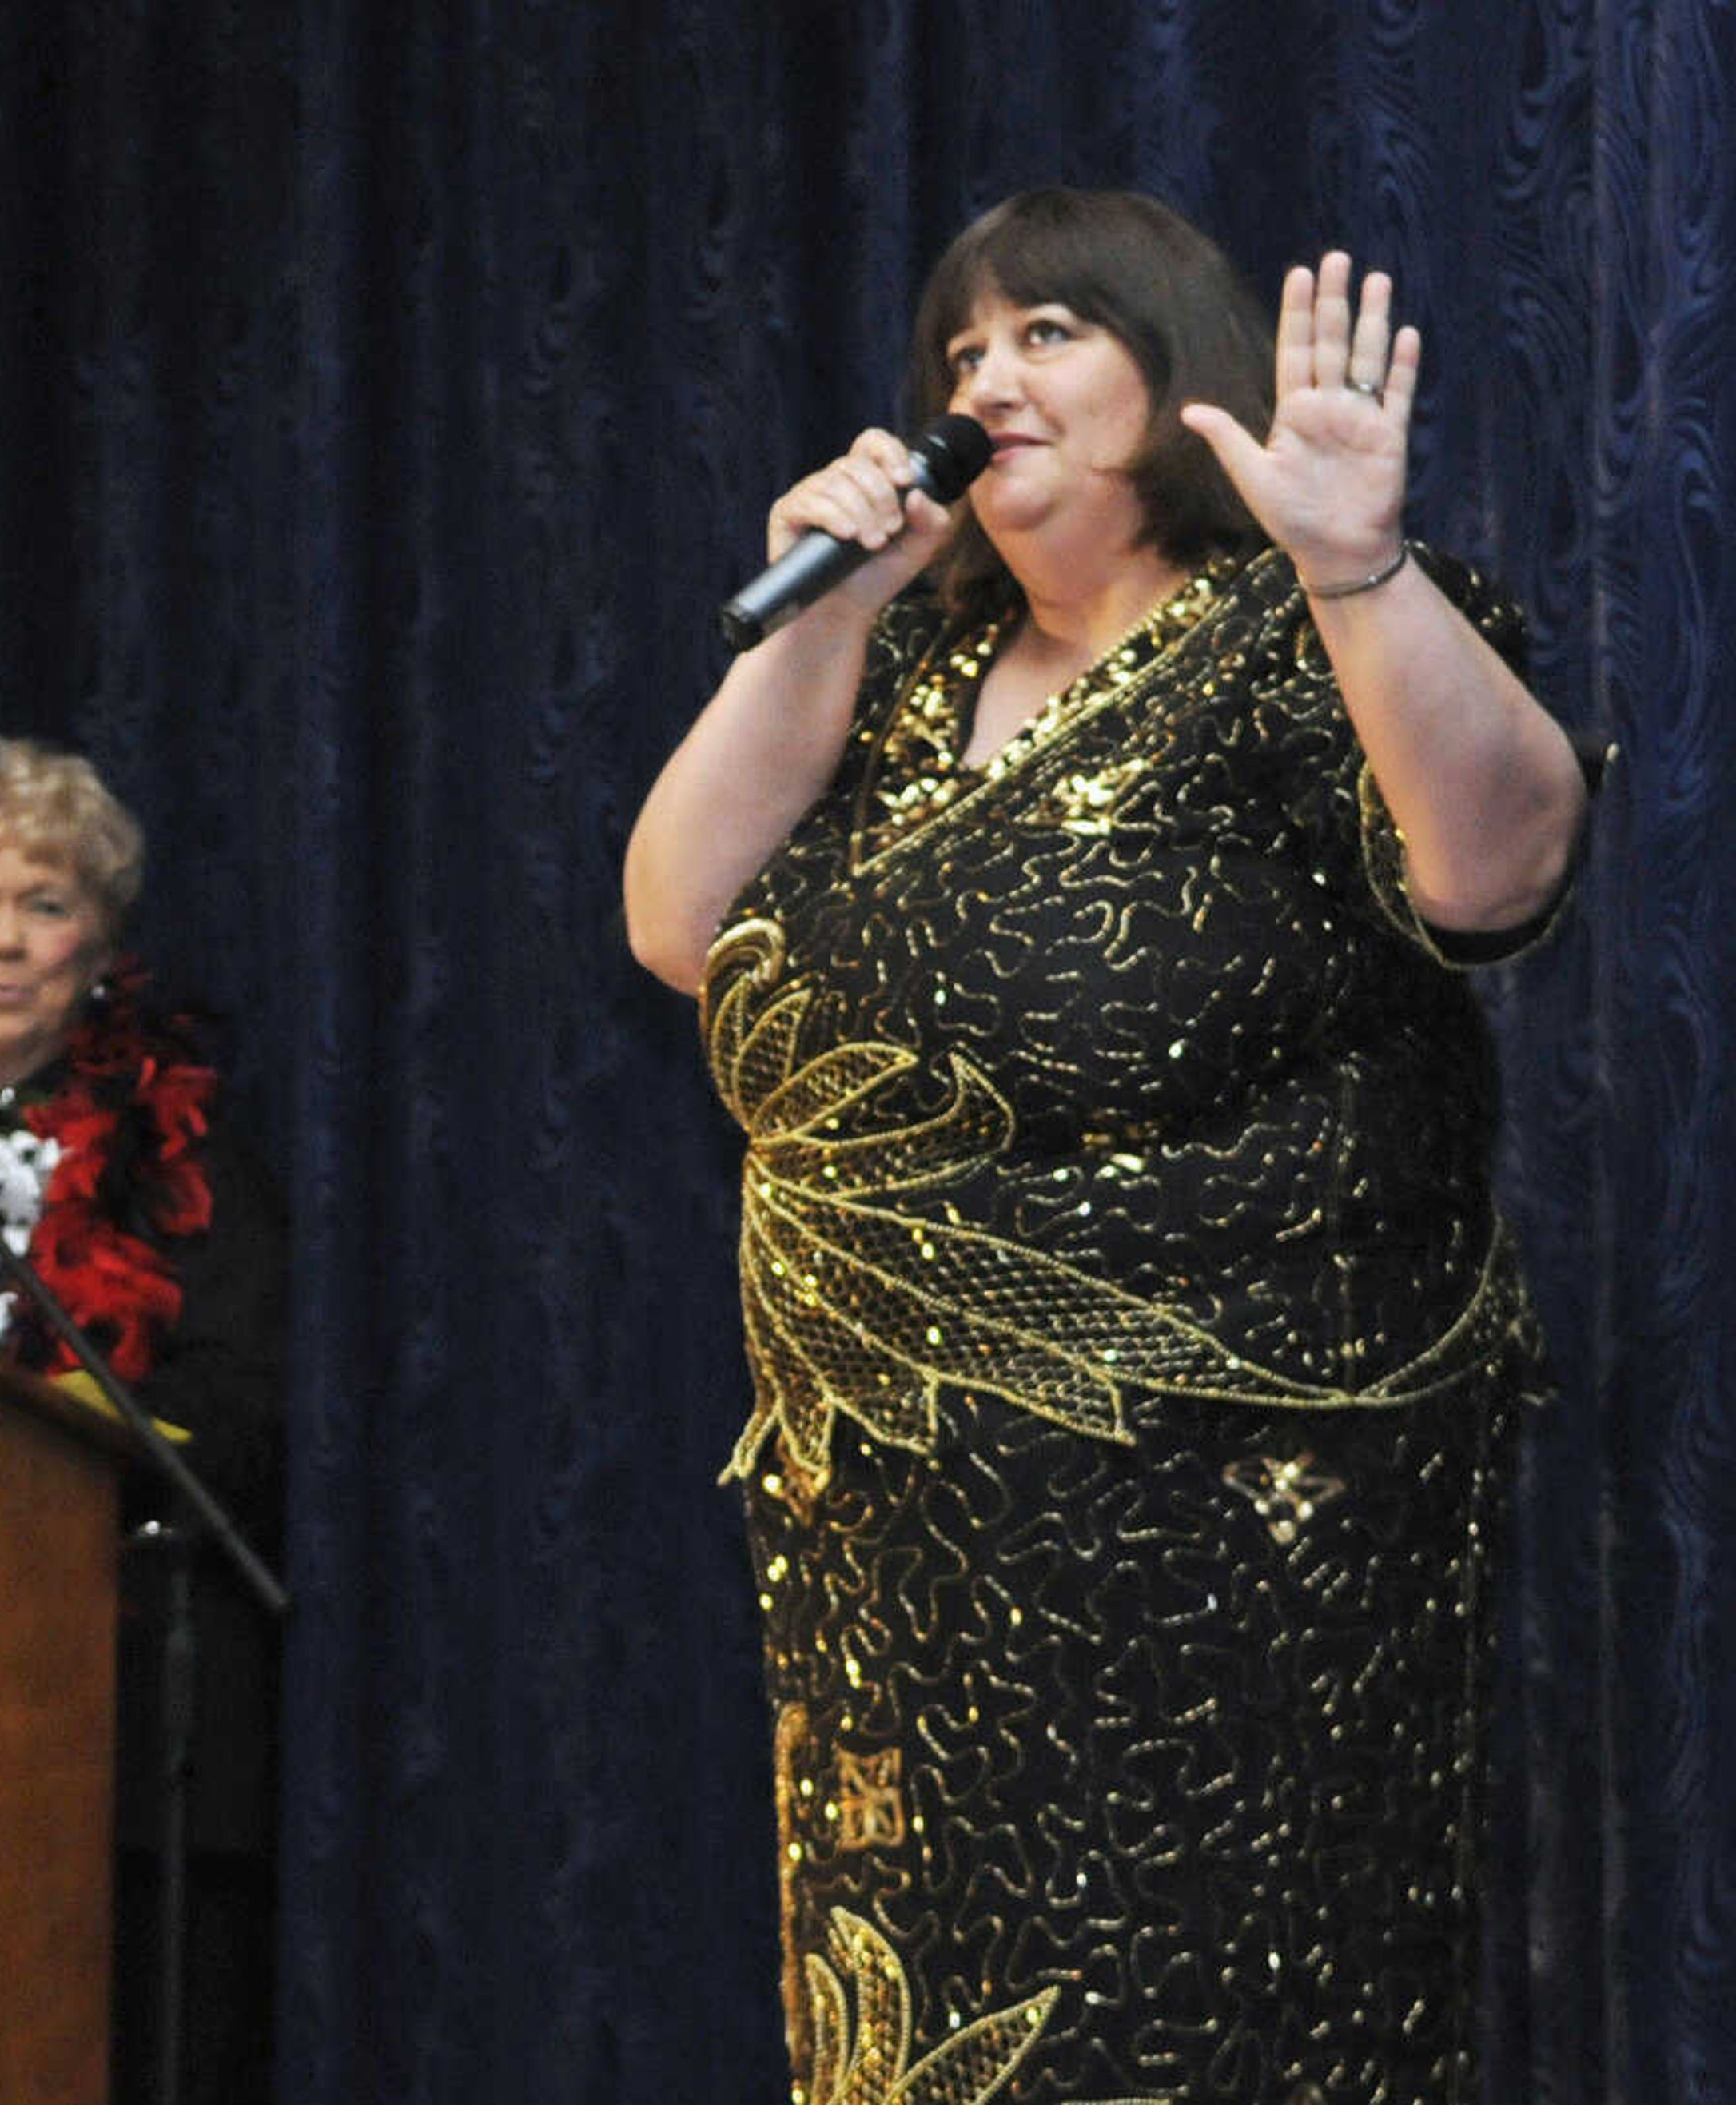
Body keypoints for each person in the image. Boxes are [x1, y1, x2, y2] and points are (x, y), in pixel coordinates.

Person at [623, 189, 1591, 2103]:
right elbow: (674, 921)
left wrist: (1364, 573)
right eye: (960, 355)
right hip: (906, 1533)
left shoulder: (1297, 628)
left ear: (1176, 369)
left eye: (1046, 333)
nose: (987, 381)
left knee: (1212, 2021)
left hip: (1236, 1518)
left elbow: (1504, 867)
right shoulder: (898, 677)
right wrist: (821, 616)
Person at [0, 734, 287, 2105]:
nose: (8, 942)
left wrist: (48, 1431)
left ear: (100, 935)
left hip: (128, 1716)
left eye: (45, 901)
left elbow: (239, 1411)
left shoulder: (184, 1152)